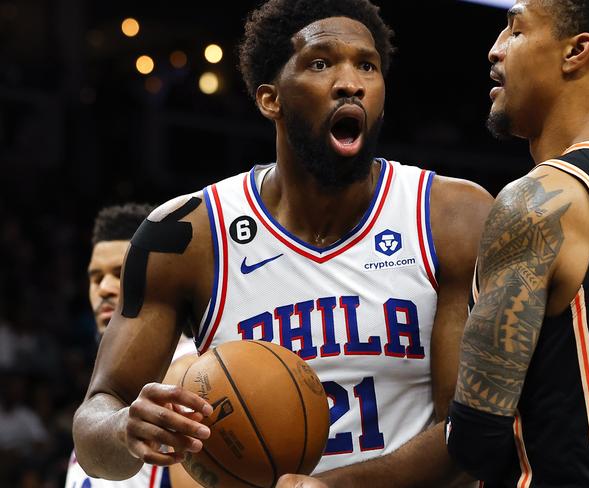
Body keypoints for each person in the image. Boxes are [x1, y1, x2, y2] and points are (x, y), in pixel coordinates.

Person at [72, 1, 493, 486]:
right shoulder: (187, 236)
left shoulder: (451, 217)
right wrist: (125, 429)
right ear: (269, 99)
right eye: (321, 63)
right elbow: (93, 429)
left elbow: (466, 435)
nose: (350, 82)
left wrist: (337, 487)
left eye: (367, 65)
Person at [446, 1, 589, 486]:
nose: (495, 49)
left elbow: (474, 438)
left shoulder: (537, 203)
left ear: (576, 51)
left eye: (515, 31)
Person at [65, 204, 200, 488]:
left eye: (120, 272)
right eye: (96, 277)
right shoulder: (109, 381)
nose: (105, 288)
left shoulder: (188, 369)